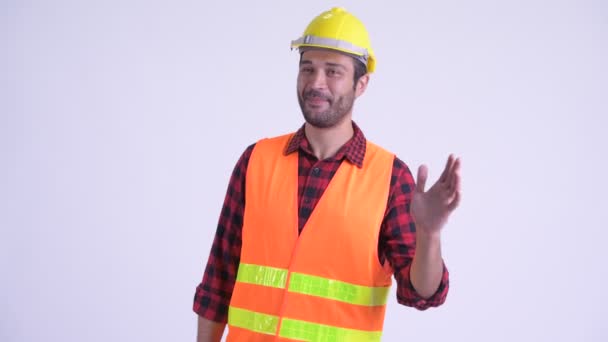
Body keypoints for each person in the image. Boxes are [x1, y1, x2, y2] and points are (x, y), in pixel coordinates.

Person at [193, 7, 461, 342]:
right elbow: (218, 280)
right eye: (308, 69)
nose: (316, 83)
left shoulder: (390, 179)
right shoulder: (256, 160)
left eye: (333, 71)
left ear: (361, 84)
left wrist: (429, 233)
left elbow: (422, 293)